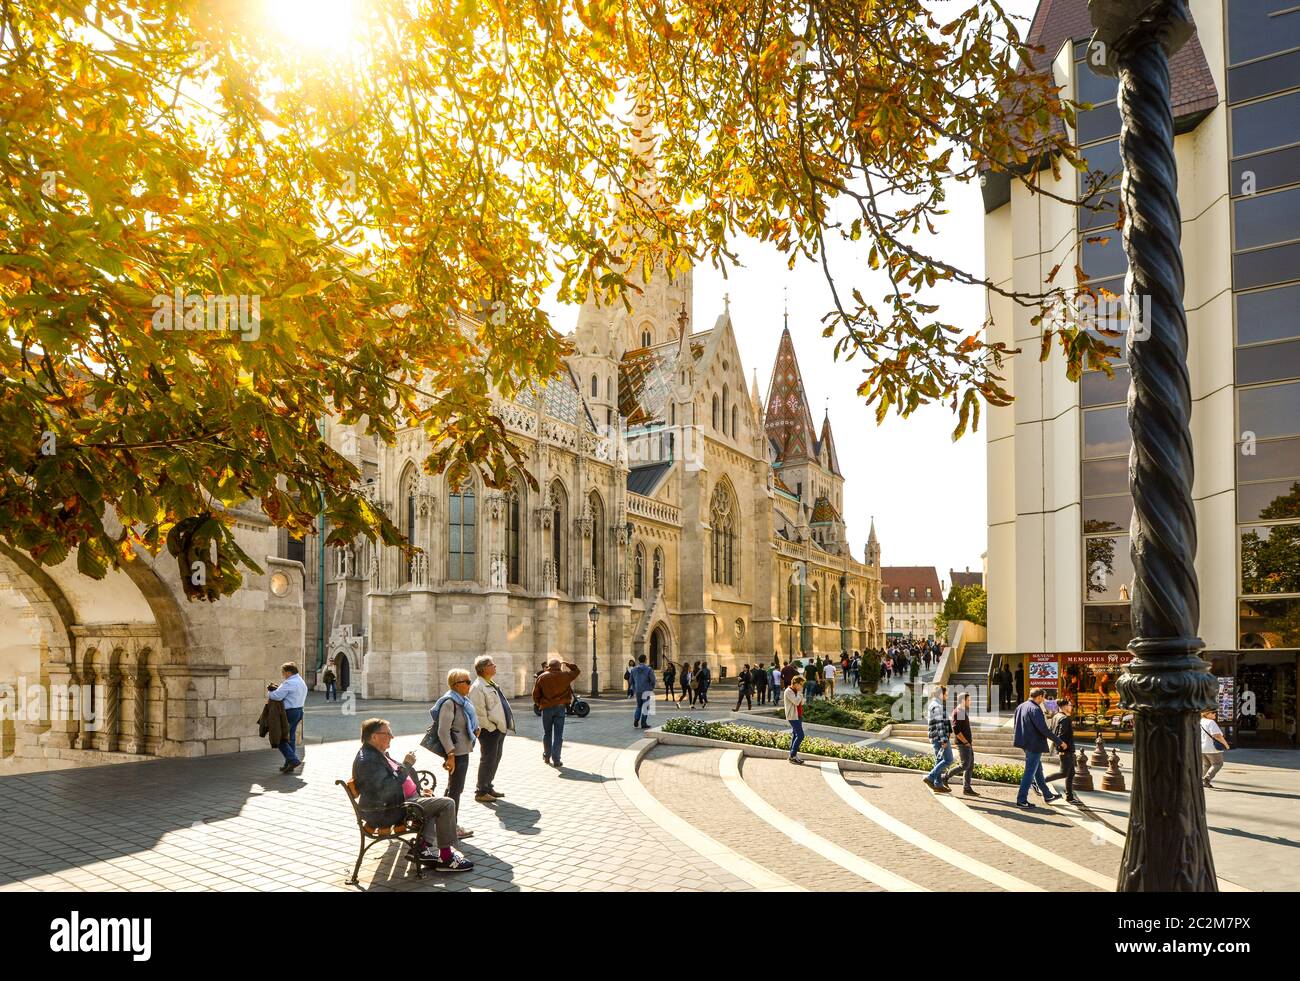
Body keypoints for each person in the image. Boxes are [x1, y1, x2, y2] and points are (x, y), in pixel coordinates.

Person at [352, 718, 471, 873]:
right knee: (447, 803)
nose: (392, 736)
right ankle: (447, 859)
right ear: (374, 736)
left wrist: (418, 791)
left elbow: (392, 780)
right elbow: (389, 786)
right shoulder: (368, 760)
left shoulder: (375, 754)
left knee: (432, 802)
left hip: (394, 803)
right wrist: (407, 765)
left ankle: (422, 848)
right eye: (387, 733)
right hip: (387, 811)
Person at [433, 669, 479, 839]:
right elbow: (443, 732)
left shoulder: (462, 701)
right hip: (456, 753)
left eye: (469, 680)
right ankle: (450, 828)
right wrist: (450, 756)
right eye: (466, 682)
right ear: (455, 685)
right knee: (455, 790)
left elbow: (463, 723)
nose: (470, 684)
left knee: (454, 788)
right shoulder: (449, 702)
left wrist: (475, 730)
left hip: (462, 750)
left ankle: (445, 823)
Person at [468, 655, 514, 804]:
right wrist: (491, 727)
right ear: (483, 669)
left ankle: (488, 787)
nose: (495, 666)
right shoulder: (478, 687)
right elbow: (479, 712)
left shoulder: (490, 683)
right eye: (492, 664)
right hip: (490, 731)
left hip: (499, 729)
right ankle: (480, 791)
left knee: (495, 759)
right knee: (488, 760)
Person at [1012, 689, 1063, 808]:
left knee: (1038, 771)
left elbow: (1016, 724)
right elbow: (1043, 729)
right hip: (1034, 744)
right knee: (1030, 772)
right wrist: (1059, 741)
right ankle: (1021, 800)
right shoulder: (1035, 709)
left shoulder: (1021, 706)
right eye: (1043, 698)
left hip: (1025, 743)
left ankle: (1047, 795)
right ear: (1039, 697)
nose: (1043, 700)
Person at [532, 658, 580, 769]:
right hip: (560, 708)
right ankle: (557, 760)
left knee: (547, 733)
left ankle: (547, 756)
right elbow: (577, 671)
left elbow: (535, 695)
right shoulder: (565, 675)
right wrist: (568, 664)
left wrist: (540, 704)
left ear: (548, 666)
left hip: (546, 708)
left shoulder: (542, 677)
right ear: (559, 666)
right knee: (559, 735)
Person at [267, 661, 308, 774]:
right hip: (299, 711)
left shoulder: (289, 683)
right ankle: (289, 764)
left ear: (289, 672)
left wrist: (269, 692)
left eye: (283, 672)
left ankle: (293, 760)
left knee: (280, 738)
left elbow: (277, 696)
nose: (283, 675)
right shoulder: (300, 681)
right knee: (290, 738)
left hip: (289, 712)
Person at [1043, 697, 1079, 803]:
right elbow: (1061, 735)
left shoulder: (1056, 716)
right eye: (1070, 705)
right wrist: (1063, 745)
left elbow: (1051, 731)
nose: (1071, 707)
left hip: (1066, 750)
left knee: (1071, 773)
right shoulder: (1064, 719)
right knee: (1063, 773)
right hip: (1066, 750)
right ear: (1064, 706)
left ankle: (1070, 797)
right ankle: (1040, 782)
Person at [945, 691, 978, 795]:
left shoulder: (962, 711)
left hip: (967, 743)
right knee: (964, 765)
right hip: (963, 744)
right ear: (963, 700)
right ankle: (944, 777)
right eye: (969, 700)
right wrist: (965, 742)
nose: (970, 702)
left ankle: (967, 788)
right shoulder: (958, 712)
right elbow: (956, 730)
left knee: (970, 765)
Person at [922, 684, 952, 794]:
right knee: (948, 759)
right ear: (941, 694)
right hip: (939, 738)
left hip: (936, 737)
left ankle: (938, 784)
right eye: (946, 693)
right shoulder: (937, 706)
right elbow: (939, 724)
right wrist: (944, 740)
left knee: (939, 760)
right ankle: (930, 777)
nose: (947, 695)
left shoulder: (934, 704)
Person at [1200, 709, 1230, 788]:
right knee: (1218, 764)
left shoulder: (1200, 721)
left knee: (1206, 765)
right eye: (1213, 713)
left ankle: (1201, 780)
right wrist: (1226, 744)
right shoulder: (1211, 722)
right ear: (1207, 714)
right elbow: (1217, 735)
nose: (1215, 714)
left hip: (1202, 747)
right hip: (1212, 748)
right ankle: (1207, 778)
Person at [629, 653, 657, 729]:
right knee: (645, 707)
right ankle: (643, 723)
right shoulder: (649, 669)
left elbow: (630, 681)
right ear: (645, 660)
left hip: (638, 690)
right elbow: (653, 680)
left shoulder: (634, 669)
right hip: (646, 690)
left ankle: (636, 719)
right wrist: (651, 688)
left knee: (639, 706)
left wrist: (634, 688)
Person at [784, 676, 807, 765]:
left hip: (798, 715)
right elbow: (797, 702)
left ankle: (793, 755)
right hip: (793, 716)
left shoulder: (796, 691)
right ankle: (792, 756)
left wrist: (799, 694)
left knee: (795, 735)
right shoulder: (789, 691)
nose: (802, 686)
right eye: (801, 684)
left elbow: (802, 702)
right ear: (796, 683)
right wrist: (800, 694)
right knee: (800, 735)